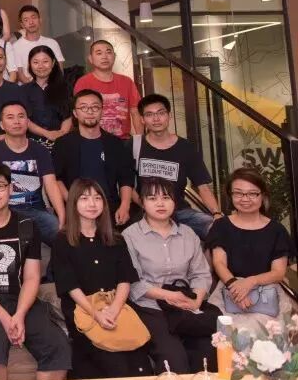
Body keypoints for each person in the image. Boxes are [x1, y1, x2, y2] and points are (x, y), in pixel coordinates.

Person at [0, 163, 70, 380]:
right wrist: (4, 317)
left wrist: (19, 314)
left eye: (0, 186)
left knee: (58, 346)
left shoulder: (27, 225)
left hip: (20, 299)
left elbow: (32, 277)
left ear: (11, 188)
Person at [52, 178, 150, 379]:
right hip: (83, 309)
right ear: (73, 203)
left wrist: (114, 309)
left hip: (116, 306)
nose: (92, 203)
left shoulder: (116, 239)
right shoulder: (63, 240)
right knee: (115, 367)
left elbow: (125, 279)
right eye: (84, 198)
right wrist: (96, 314)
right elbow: (70, 285)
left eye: (97, 198)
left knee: (141, 366)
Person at [124, 178, 218, 374]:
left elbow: (201, 274)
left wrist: (196, 300)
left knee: (208, 352)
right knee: (173, 358)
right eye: (152, 198)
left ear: (175, 202)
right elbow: (134, 283)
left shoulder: (188, 234)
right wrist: (171, 296)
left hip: (186, 305)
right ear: (142, 202)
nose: (160, 203)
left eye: (166, 198)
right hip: (151, 307)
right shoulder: (130, 236)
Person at [206, 167, 296, 332]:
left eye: (252, 193)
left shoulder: (276, 230)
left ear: (263, 195)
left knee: (267, 335)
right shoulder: (221, 226)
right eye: (238, 193)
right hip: (228, 289)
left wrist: (250, 282)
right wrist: (236, 288)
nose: (245, 199)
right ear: (230, 195)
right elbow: (219, 263)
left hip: (267, 294)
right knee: (226, 335)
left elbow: (278, 272)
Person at [134, 93, 220, 239]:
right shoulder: (134, 146)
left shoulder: (185, 147)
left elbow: (203, 187)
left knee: (218, 229)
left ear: (169, 116)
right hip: (143, 212)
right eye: (149, 114)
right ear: (142, 119)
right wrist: (146, 206)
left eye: (161, 113)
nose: (156, 119)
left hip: (179, 212)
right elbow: (127, 186)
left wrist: (216, 213)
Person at [0, 102, 65, 245]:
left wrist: (61, 216)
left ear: (28, 122)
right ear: (2, 125)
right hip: (7, 212)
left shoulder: (40, 151)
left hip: (36, 212)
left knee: (59, 232)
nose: (16, 121)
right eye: (10, 117)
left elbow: (51, 184)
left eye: (21, 116)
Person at [52, 89, 135, 228]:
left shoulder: (115, 144)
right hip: (74, 208)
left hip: (109, 208)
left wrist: (125, 206)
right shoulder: (63, 143)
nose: (90, 111)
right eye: (84, 107)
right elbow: (56, 178)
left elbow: (126, 178)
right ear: (75, 113)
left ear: (102, 111)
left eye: (95, 107)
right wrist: (73, 204)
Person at [74, 39, 142, 139]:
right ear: (91, 59)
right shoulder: (83, 82)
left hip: (122, 140)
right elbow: (80, 114)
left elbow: (135, 112)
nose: (104, 57)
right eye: (99, 53)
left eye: (108, 52)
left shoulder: (126, 81)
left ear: (114, 57)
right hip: (93, 139)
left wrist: (140, 140)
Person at [23, 45, 72, 149]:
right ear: (30, 65)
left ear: (53, 63)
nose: (40, 66)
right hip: (32, 144)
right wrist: (46, 133)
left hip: (60, 142)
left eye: (45, 61)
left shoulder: (65, 88)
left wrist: (61, 133)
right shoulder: (23, 90)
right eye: (35, 62)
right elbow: (24, 119)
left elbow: (67, 116)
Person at [9, 5, 65, 83]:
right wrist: (36, 88)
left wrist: (50, 86)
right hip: (27, 87)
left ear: (40, 20)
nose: (31, 22)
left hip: (51, 86)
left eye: (34, 17)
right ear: (22, 25)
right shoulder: (16, 46)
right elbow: (20, 75)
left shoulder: (52, 43)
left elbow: (60, 70)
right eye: (26, 20)